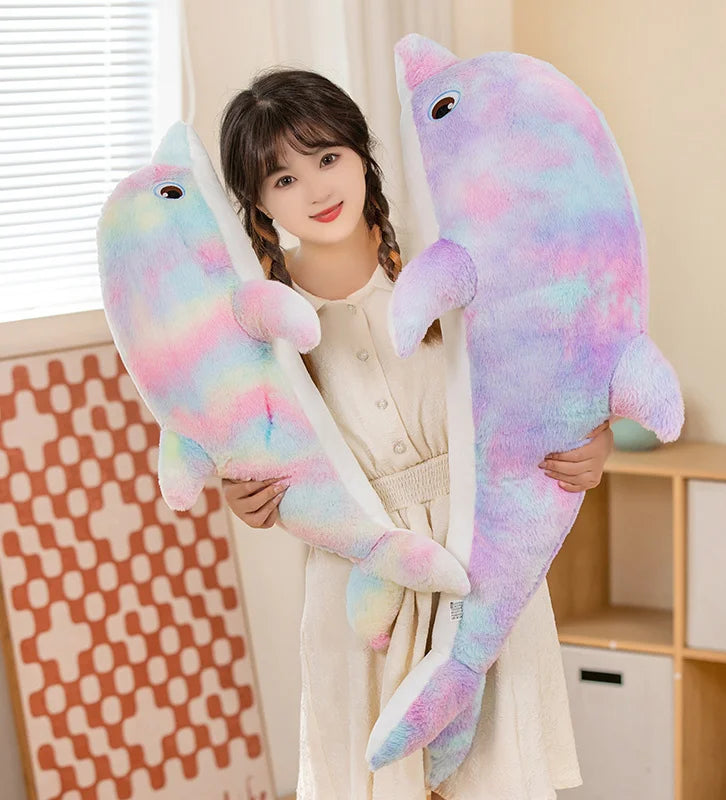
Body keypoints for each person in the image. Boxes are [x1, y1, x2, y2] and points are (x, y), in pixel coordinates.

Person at [218, 67, 615, 800]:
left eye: (328, 157)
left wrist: (594, 441)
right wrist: (245, 495)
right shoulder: (262, 327)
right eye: (284, 179)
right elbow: (250, 453)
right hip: (360, 590)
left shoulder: (450, 269)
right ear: (259, 203)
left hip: (478, 566)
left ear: (361, 155)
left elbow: (541, 378)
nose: (315, 189)